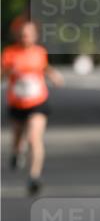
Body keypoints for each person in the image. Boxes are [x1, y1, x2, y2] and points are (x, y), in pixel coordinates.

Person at [1, 21, 64, 195]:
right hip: (17, 103)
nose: (25, 37)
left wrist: (54, 76)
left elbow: (45, 67)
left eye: (28, 34)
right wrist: (8, 72)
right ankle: (16, 152)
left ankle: (34, 176)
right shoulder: (9, 53)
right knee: (17, 137)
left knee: (34, 138)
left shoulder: (39, 52)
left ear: (35, 36)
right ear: (18, 36)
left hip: (38, 102)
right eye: (22, 34)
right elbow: (2, 75)